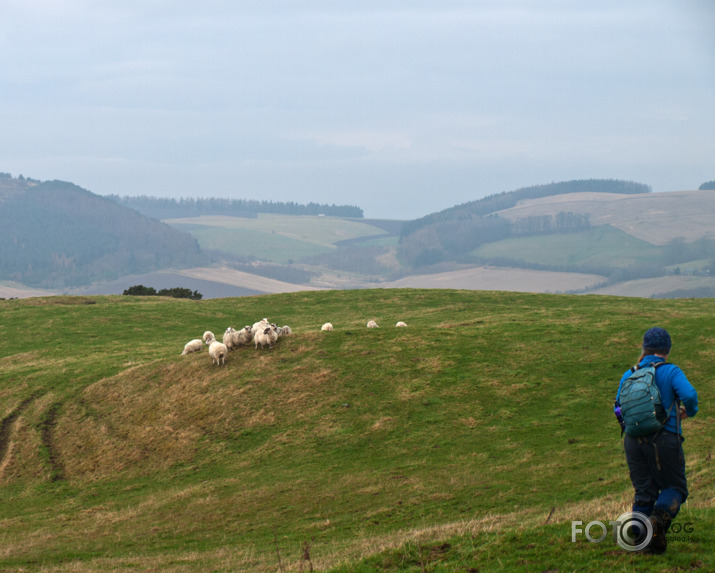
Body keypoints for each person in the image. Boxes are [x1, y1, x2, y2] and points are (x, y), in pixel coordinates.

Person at [615, 327, 698, 554]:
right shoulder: (671, 371)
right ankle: (657, 520)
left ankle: (641, 541)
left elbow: (618, 407)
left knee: (644, 490)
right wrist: (688, 412)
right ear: (667, 350)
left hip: (632, 441)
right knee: (675, 487)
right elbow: (689, 395)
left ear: (645, 347)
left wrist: (631, 428)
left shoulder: (629, 373)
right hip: (664, 438)